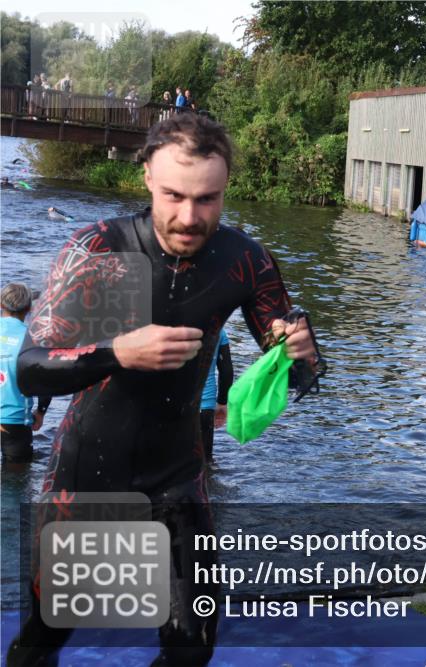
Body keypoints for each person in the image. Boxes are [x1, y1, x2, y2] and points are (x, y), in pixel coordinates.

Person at [6, 112, 318, 666]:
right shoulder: (100, 249)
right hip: (87, 477)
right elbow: (29, 368)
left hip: (177, 477)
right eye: (174, 195)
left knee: (191, 647)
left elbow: (298, 374)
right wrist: (117, 353)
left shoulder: (244, 260)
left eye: (207, 199)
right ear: (147, 175)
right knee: (47, 634)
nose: (189, 217)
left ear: (225, 188)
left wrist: (302, 354)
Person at [1, 284, 51, 467]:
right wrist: (41, 411)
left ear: (1, 304)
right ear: (29, 308)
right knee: (16, 477)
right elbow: (45, 381)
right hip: (14, 421)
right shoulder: (33, 339)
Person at [199, 327, 232, 460]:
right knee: (205, 461)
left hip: (173, 406)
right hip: (205, 407)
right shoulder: (219, 330)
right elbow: (227, 371)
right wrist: (222, 403)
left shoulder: (168, 326)